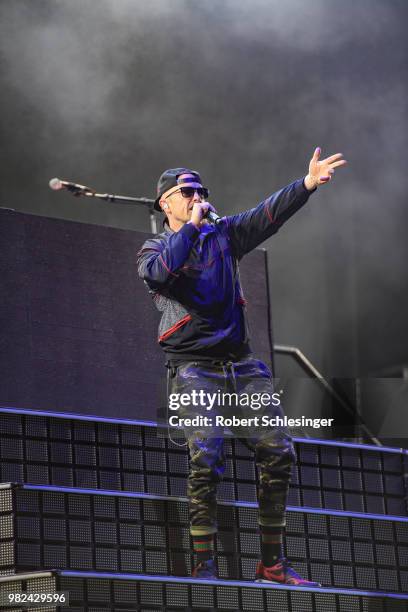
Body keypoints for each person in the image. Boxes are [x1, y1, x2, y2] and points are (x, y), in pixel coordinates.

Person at [137, 148, 346, 584]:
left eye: (200, 191)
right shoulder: (156, 247)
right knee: (207, 457)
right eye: (186, 192)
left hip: (241, 364)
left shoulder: (226, 235)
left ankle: (271, 564)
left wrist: (305, 184)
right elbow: (159, 274)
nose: (197, 197)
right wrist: (192, 228)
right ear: (166, 204)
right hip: (194, 366)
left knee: (278, 451)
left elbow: (267, 214)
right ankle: (204, 567)